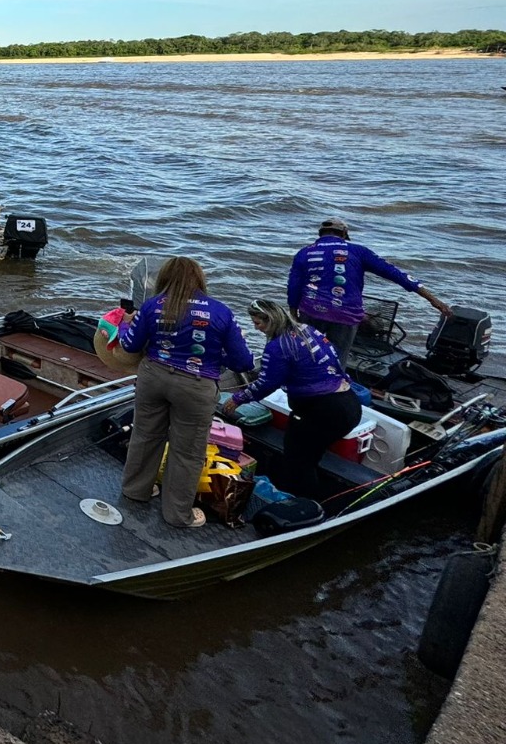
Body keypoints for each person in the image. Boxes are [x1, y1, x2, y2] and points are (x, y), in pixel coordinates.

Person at [117, 256, 254, 529]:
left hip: (153, 377)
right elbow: (244, 363)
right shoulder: (220, 312)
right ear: (200, 279)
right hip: (196, 385)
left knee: (145, 436)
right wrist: (217, 357)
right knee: (187, 452)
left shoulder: (152, 306)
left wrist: (124, 324)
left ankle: (135, 491)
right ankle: (178, 515)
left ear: (164, 277)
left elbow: (130, 346)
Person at [223, 299, 362, 499]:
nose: (256, 327)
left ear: (270, 320)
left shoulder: (277, 347)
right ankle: (311, 497)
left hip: (322, 411)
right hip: (349, 403)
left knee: (298, 461)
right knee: (311, 456)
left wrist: (238, 399)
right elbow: (334, 357)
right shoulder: (307, 330)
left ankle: (301, 504)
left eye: (258, 323)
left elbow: (266, 383)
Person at [287, 218, 451, 358]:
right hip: (346, 315)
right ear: (344, 235)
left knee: (307, 356)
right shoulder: (358, 251)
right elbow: (394, 274)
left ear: (320, 234)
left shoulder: (304, 253)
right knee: (338, 359)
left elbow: (294, 286)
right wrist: (433, 300)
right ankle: (334, 386)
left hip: (312, 312)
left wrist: (294, 314)